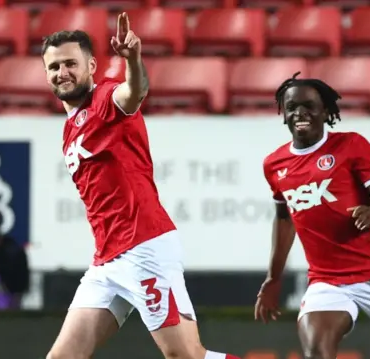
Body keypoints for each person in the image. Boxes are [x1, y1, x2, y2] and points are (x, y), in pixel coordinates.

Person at [41, 14, 241, 359]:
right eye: (54, 66)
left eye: (71, 63)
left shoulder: (105, 99)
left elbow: (135, 91)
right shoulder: (70, 128)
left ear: (90, 65)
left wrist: (132, 60)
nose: (62, 73)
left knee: (186, 355)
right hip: (107, 259)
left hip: (143, 247)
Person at [254, 73, 370, 359]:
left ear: (326, 111)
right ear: (284, 114)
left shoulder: (351, 145)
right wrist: (273, 279)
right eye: (291, 107)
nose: (299, 113)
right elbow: (284, 219)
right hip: (327, 280)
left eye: (308, 106)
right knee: (317, 351)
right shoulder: (274, 164)